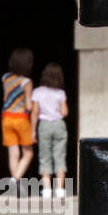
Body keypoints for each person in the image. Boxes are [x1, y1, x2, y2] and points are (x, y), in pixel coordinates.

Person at [30, 62, 68, 204]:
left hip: (44, 125)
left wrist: (33, 130)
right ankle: (60, 189)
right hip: (58, 124)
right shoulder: (60, 93)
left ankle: (46, 190)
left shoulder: (38, 92)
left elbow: (34, 112)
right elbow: (64, 112)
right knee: (59, 156)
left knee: (44, 157)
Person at [1, 47, 35, 183]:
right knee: (28, 153)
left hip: (6, 118)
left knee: (13, 153)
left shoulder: (5, 78)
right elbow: (28, 105)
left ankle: (15, 183)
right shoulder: (26, 82)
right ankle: (15, 179)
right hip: (21, 119)